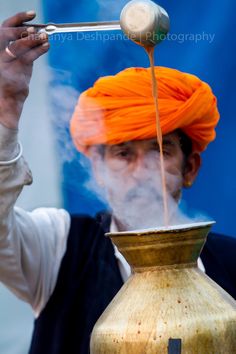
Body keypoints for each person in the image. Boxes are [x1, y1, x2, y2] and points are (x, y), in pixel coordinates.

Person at [0, 12, 235, 354]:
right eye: (123, 154)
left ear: (190, 167)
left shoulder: (230, 263)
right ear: (97, 168)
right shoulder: (58, 248)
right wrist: (8, 105)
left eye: (160, 150)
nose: (142, 171)